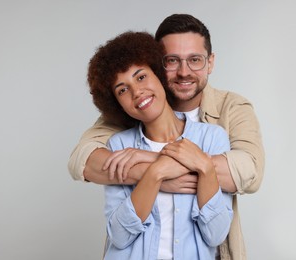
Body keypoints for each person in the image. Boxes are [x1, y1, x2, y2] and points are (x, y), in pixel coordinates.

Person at [69, 14, 265, 260]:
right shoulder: (123, 129)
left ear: (210, 62)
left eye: (195, 60)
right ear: (160, 67)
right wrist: (157, 174)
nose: (184, 72)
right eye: (172, 60)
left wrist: (151, 159)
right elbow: (81, 160)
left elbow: (250, 171)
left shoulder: (228, 113)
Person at [89, 31, 233, 259]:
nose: (137, 92)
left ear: (158, 75)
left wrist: (205, 167)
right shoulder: (119, 145)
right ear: (117, 103)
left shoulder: (212, 138)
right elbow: (119, 236)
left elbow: (215, 235)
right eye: (122, 90)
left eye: (141, 77)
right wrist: (155, 173)